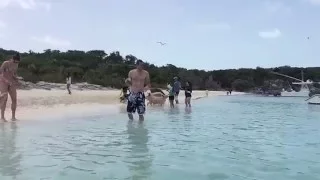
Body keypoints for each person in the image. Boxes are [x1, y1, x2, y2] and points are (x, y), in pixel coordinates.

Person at [0, 53, 21, 121]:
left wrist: (17, 79)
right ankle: (2, 117)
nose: (16, 63)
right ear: (12, 59)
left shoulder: (16, 64)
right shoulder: (6, 63)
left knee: (14, 99)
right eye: (15, 61)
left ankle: (13, 117)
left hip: (12, 82)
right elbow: (1, 73)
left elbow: (13, 74)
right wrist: (6, 81)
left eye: (17, 62)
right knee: (4, 99)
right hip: (3, 82)